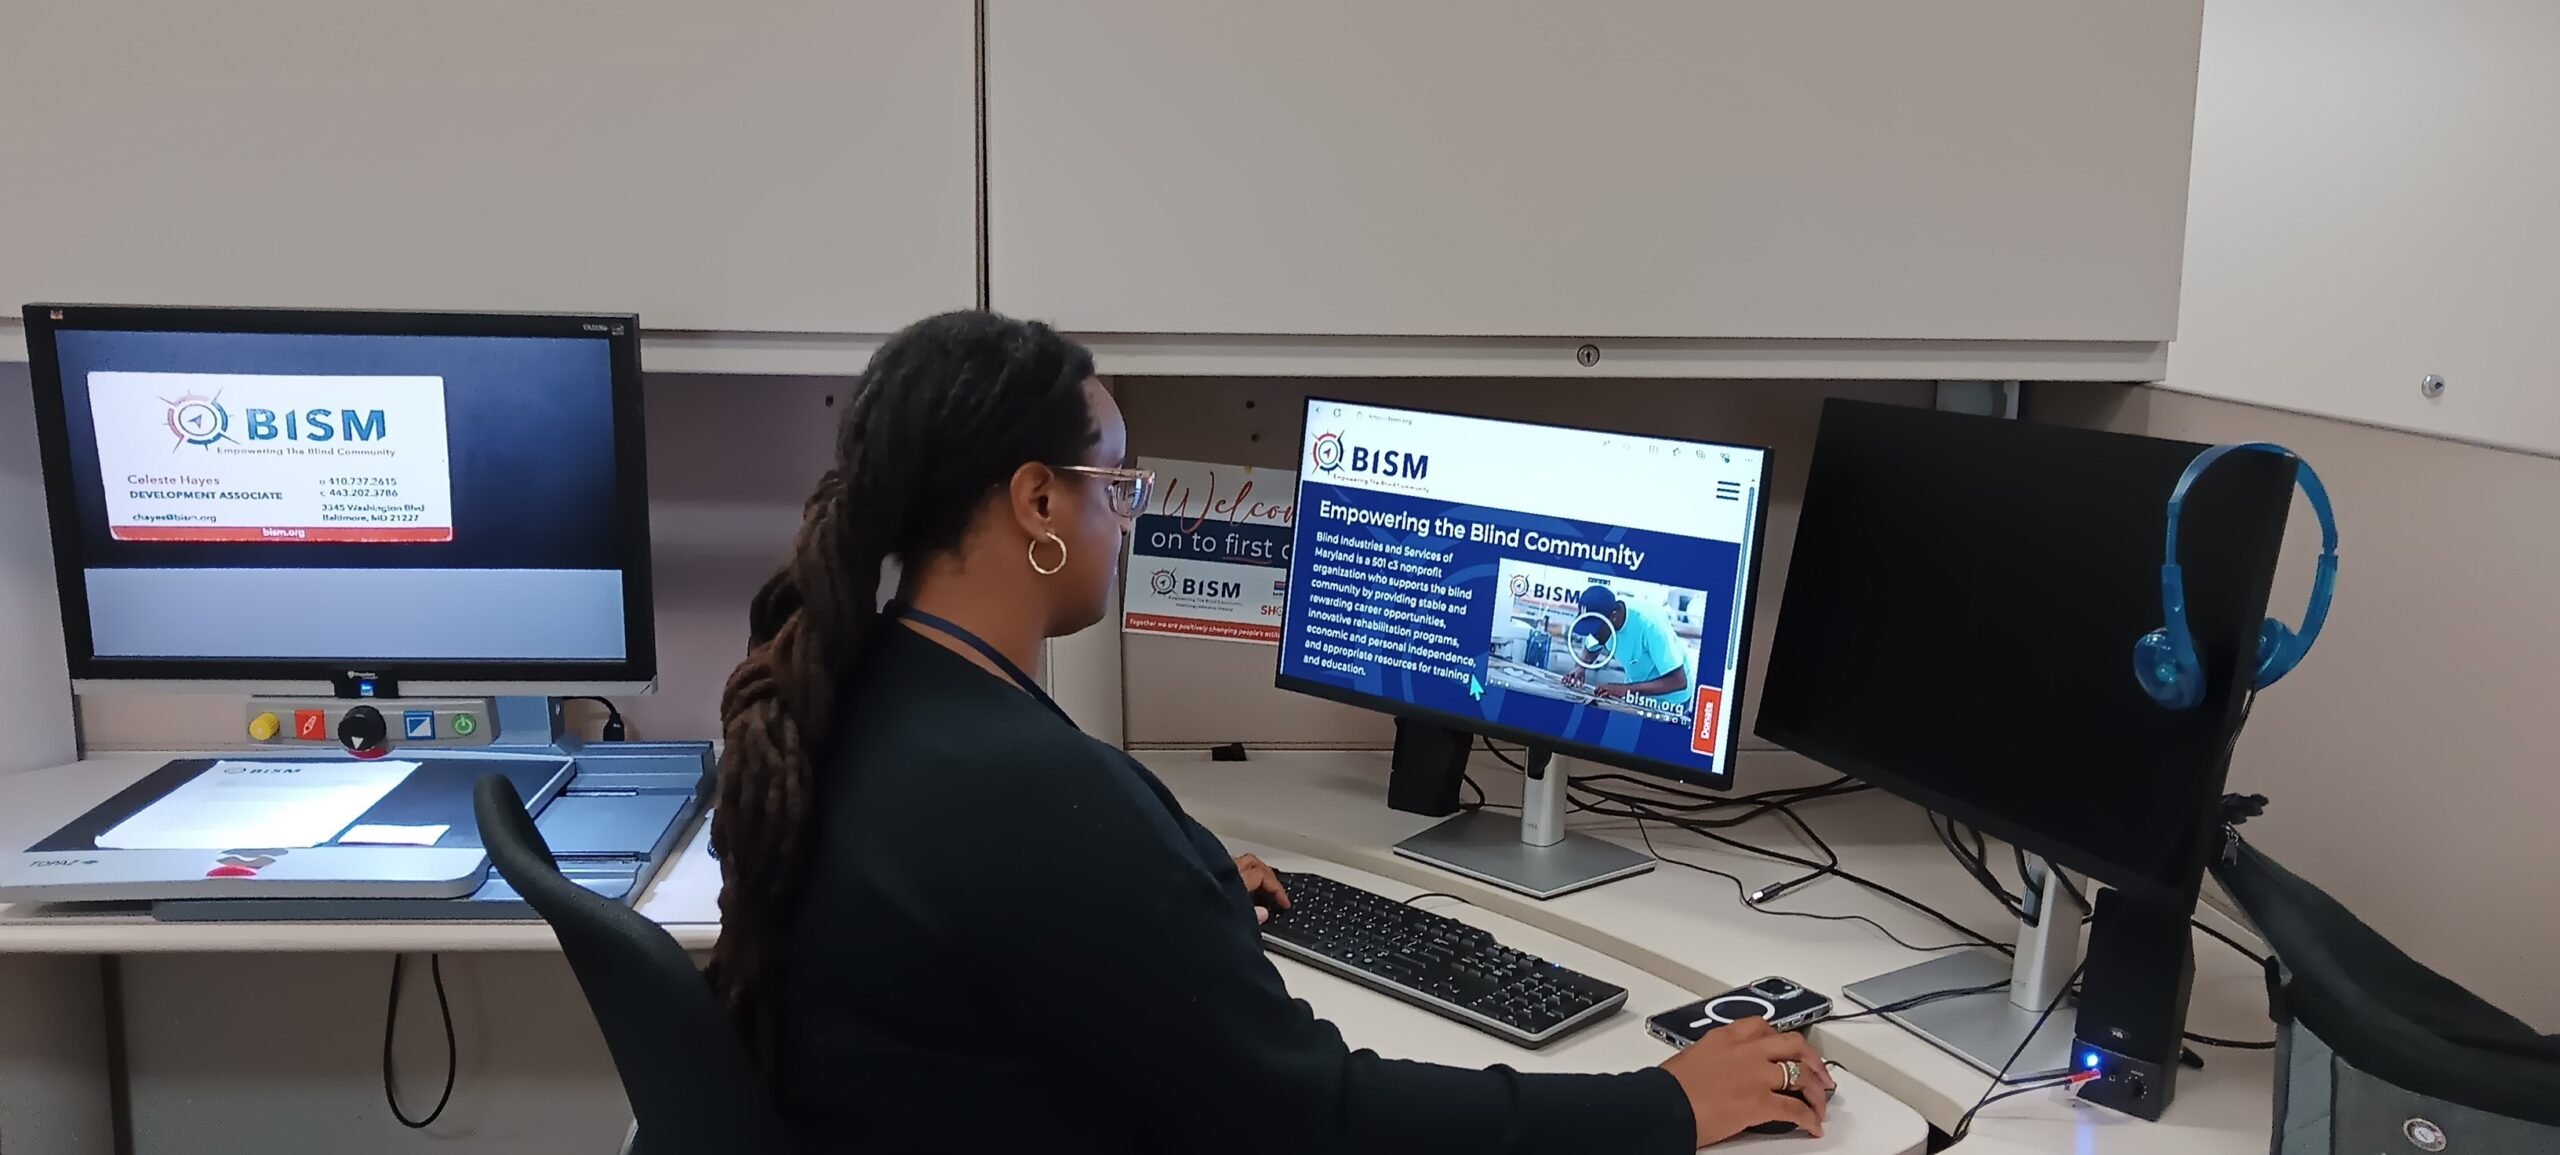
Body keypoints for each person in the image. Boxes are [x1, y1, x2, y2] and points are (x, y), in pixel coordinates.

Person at [708, 310, 1831, 1153]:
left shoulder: (869, 690)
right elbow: (1316, 1118)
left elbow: (1023, 911)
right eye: (1118, 482)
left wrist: (1162, 897)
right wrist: (1661, 1105)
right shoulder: (1030, 794)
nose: (1127, 512)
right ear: (1038, 502)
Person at [1562, 584, 1696, 709]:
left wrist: (1625, 690)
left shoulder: (1651, 625)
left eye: (1595, 629)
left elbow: (1678, 681)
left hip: (1671, 701)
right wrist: (1580, 668)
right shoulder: (1605, 614)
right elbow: (1591, 646)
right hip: (1637, 693)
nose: (1592, 635)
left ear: (1613, 617)